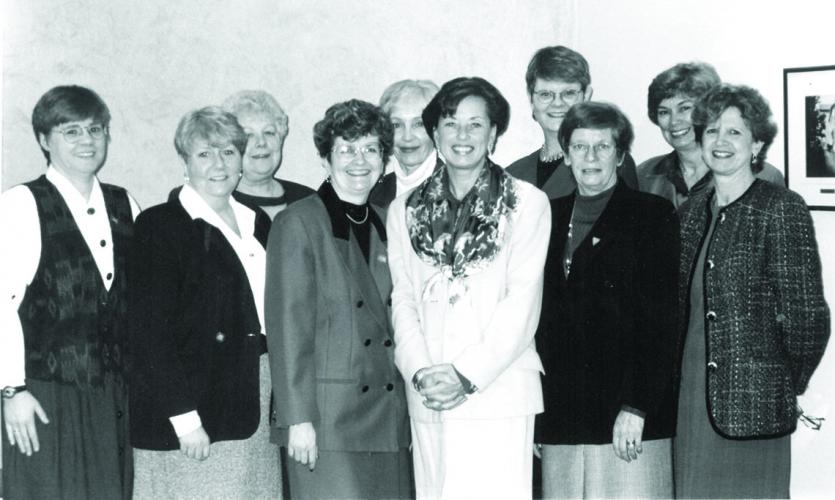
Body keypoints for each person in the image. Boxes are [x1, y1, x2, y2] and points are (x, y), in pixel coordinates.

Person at [388, 76, 551, 499]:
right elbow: (402, 297)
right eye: (450, 123)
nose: (463, 136)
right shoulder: (405, 208)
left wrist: (465, 375)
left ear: (494, 133)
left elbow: (523, 304)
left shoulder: (526, 202)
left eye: (476, 125)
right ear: (435, 133)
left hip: (497, 390)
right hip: (430, 393)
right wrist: (421, 371)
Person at [676, 84, 830, 499]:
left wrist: (782, 380)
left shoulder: (780, 207)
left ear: (757, 142)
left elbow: (808, 315)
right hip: (690, 400)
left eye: (735, 132)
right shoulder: (689, 212)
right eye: (711, 131)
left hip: (756, 404)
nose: (720, 142)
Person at [128, 107, 280, 499]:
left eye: (228, 152)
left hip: (254, 394)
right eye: (204, 154)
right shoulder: (160, 227)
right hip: (193, 403)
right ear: (185, 162)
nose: (219, 164)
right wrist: (183, 418)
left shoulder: (256, 222)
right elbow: (149, 333)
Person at [267, 99, 411, 499]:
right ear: (325, 159)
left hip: (387, 418)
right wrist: (298, 420)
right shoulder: (298, 222)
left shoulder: (389, 221)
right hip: (327, 421)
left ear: (384, 158)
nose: (359, 160)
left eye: (370, 149)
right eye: (346, 149)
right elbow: (287, 329)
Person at [534, 101, 679, 498]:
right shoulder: (544, 216)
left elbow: (662, 322)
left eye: (603, 146)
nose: (591, 156)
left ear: (620, 154)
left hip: (629, 417)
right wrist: (538, 419)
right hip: (563, 416)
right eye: (580, 147)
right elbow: (538, 325)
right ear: (565, 154)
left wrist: (637, 407)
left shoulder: (651, 215)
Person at [0, 85, 139, 499]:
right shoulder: (21, 204)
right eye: (71, 131)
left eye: (95, 129)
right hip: (46, 393)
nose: (88, 141)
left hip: (113, 394)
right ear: (45, 140)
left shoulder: (125, 202)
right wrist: (12, 390)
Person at [637, 62, 784, 208]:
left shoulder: (764, 176)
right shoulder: (642, 175)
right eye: (664, 112)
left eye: (684, 108)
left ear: (709, 111)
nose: (674, 121)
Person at [507, 45, 638, 198]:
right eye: (545, 94)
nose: (557, 103)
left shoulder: (609, 160)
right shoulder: (513, 174)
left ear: (586, 96)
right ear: (531, 100)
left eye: (568, 93)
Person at [223, 90, 314, 218]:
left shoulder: (308, 199)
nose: (261, 142)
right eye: (249, 135)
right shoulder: (217, 204)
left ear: (281, 137)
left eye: (269, 132)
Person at [369, 79, 441, 207]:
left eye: (419, 124)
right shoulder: (371, 192)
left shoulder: (460, 190)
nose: (407, 137)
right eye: (396, 125)